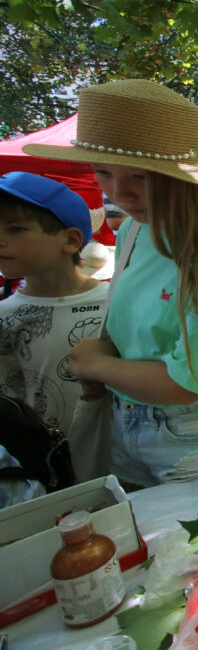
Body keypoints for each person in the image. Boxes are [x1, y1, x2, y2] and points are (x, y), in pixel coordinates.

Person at [25, 80, 198, 488]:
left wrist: (98, 365)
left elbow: (187, 384)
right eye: (103, 172)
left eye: (141, 176)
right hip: (127, 423)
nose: (118, 192)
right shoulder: (134, 231)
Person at [0, 172, 110, 481]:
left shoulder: (116, 304)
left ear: (71, 240)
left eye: (16, 228)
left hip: (124, 465)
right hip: (45, 476)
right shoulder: (4, 319)